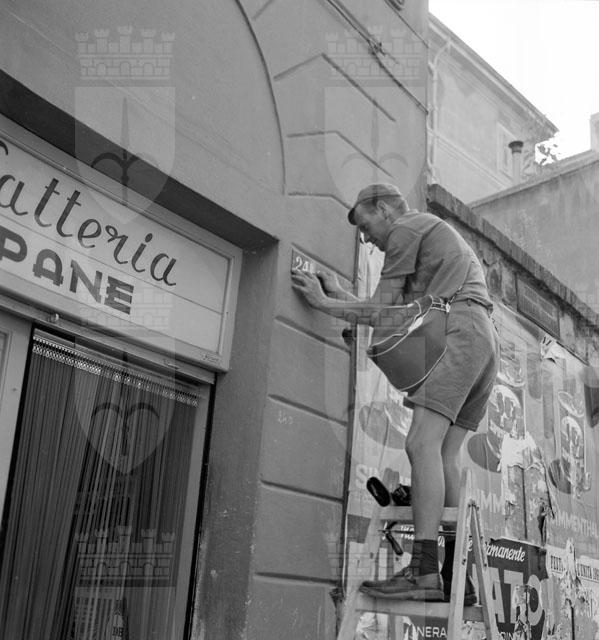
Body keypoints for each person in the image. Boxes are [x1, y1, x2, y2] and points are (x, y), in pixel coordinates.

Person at [291, 183, 499, 602]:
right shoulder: (428, 236)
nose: (365, 238)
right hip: (482, 339)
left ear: (385, 209)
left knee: (421, 443)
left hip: (460, 331)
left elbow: (381, 310)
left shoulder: (406, 229)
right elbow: (389, 314)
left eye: (365, 225)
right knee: (445, 454)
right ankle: (456, 576)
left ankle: (423, 571)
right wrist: (341, 295)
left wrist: (323, 304)